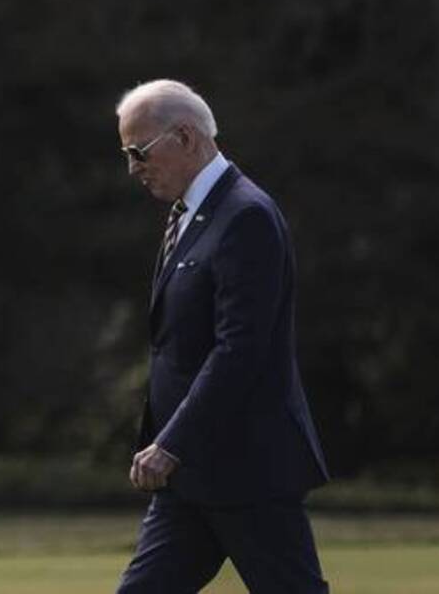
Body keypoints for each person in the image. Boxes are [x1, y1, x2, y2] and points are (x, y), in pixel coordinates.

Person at [113, 80, 330, 594]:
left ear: (186, 137)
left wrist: (172, 443)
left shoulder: (246, 216)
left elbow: (240, 349)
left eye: (138, 152)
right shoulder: (192, 215)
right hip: (190, 477)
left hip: (247, 470)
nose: (132, 168)